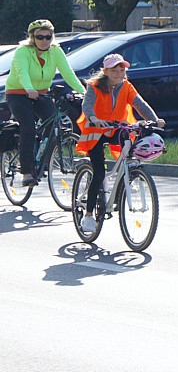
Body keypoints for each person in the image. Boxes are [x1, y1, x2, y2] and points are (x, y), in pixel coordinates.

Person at [75, 53, 165, 234]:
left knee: (129, 148)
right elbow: (87, 105)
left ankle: (127, 178)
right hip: (96, 131)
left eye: (122, 70)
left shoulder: (127, 86)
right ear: (106, 71)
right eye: (114, 70)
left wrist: (154, 119)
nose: (118, 74)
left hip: (117, 128)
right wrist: (93, 118)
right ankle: (89, 214)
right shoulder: (94, 86)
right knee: (99, 173)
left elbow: (140, 104)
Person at [4, 19, 87, 186]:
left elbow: (68, 73)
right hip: (18, 93)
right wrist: (29, 89)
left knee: (53, 126)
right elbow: (22, 73)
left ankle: (41, 159)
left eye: (48, 37)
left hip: (41, 93)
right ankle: (26, 171)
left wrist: (84, 92)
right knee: (28, 128)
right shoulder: (23, 51)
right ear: (32, 38)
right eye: (40, 37)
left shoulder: (55, 51)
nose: (44, 40)